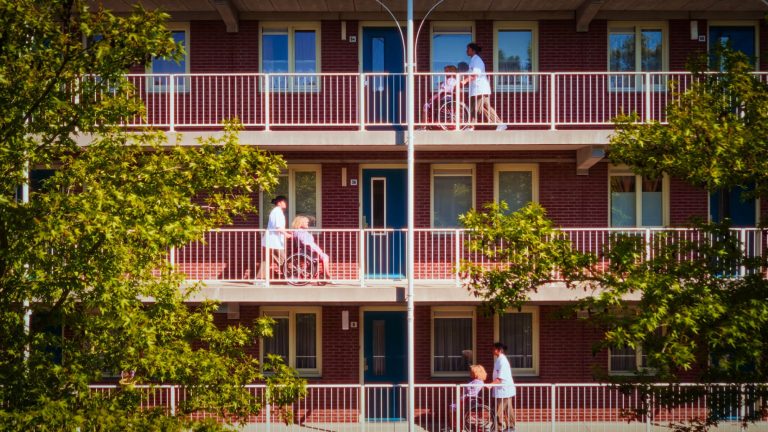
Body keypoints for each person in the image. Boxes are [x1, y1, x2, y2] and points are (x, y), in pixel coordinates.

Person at [461, 42, 507, 131]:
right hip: (478, 89)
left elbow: (475, 74)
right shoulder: (473, 60)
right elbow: (469, 73)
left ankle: (470, 126)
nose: (466, 51)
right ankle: (500, 124)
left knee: (473, 108)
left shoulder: (477, 60)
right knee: (485, 108)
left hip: (479, 89)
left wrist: (465, 81)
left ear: (473, 50)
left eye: (468, 49)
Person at [257, 196, 291, 281]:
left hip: (272, 240)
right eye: (284, 202)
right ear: (279, 203)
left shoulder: (276, 211)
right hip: (274, 241)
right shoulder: (277, 212)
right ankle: (289, 277)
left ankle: (260, 279)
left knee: (266, 260)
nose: (286, 203)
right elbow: (278, 227)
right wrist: (286, 234)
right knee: (283, 259)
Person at [291, 215, 333, 281]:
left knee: (324, 256)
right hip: (307, 252)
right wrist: (317, 250)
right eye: (306, 222)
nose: (308, 223)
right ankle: (327, 275)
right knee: (325, 257)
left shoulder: (302, 231)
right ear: (300, 223)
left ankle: (325, 274)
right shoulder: (299, 232)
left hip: (309, 251)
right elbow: (305, 243)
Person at [492, 342, 516, 432]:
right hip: (503, 390)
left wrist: (490, 385)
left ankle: (498, 428)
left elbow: (500, 378)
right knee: (508, 410)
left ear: (499, 350)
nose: (492, 351)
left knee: (499, 411)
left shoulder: (503, 361)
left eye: (494, 349)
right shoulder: (499, 360)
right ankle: (511, 427)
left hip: (504, 390)